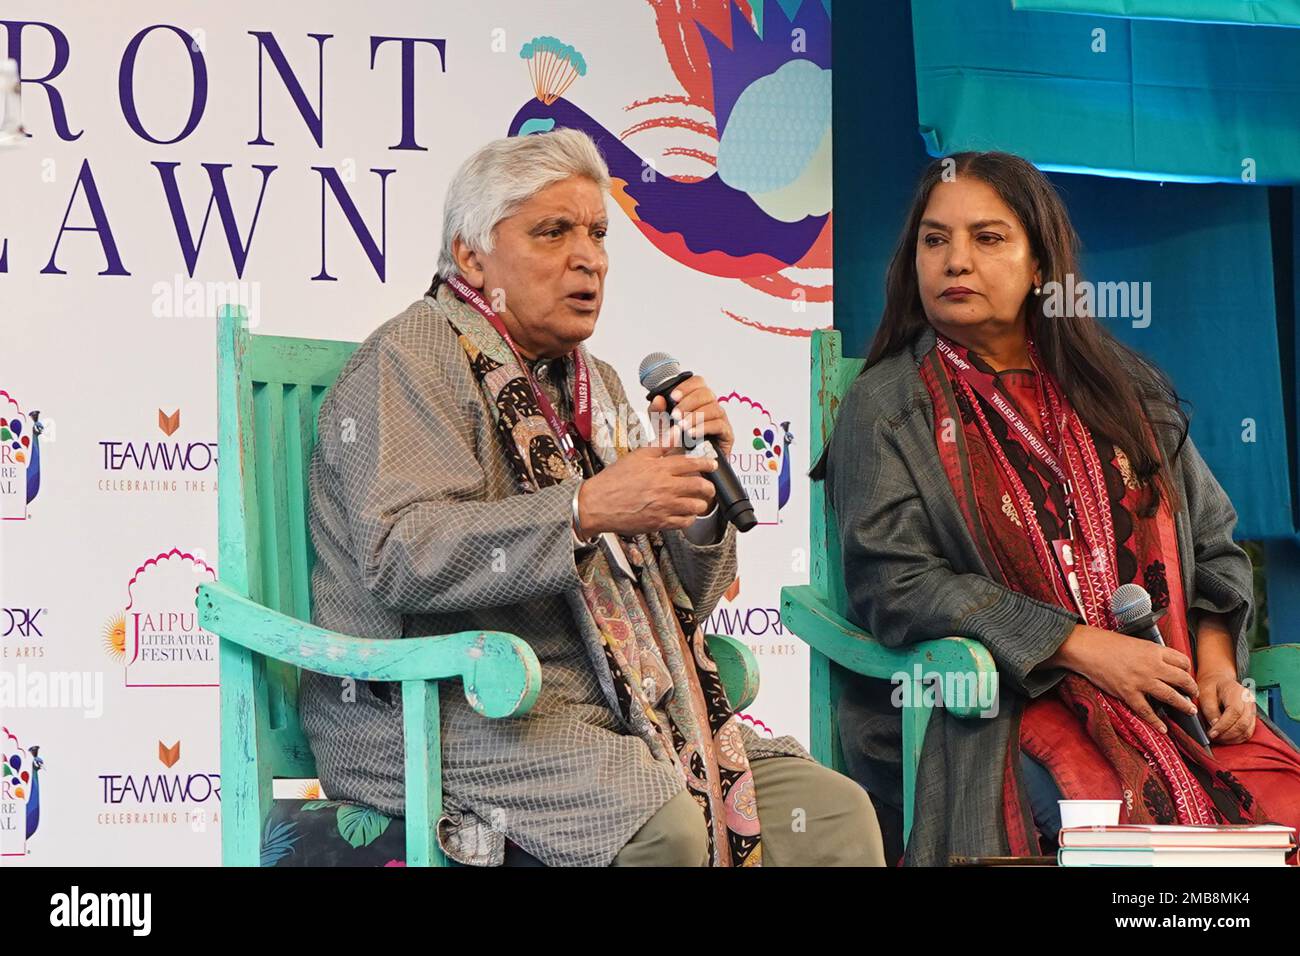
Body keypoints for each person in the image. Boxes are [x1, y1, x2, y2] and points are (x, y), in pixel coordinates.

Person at [300, 128, 884, 867]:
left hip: (619, 701)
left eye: (598, 234)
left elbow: (683, 603)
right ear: (472, 254)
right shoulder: (410, 359)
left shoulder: (595, 384)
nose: (589, 258)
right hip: (453, 708)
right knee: (661, 826)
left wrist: (699, 492)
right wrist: (584, 510)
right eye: (554, 232)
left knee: (831, 816)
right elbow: (401, 555)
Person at [818, 150, 1300, 865]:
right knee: (1123, 833)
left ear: (1040, 265)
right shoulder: (889, 404)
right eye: (935, 239)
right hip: (997, 708)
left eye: (987, 238)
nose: (955, 261)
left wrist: (1216, 664)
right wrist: (1081, 648)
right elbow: (896, 582)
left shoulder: (1120, 387)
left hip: (1174, 708)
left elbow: (1214, 542)